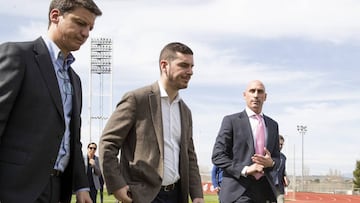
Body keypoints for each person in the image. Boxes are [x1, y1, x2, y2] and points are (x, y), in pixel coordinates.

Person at [0, 0, 102, 202]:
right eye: (80, 23)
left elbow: (72, 139)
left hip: (58, 189)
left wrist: (81, 186)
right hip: (14, 189)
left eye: (90, 28)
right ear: (55, 16)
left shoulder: (75, 80)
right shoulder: (18, 55)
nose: (86, 33)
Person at [99, 42, 204, 203]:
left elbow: (190, 156)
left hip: (176, 196)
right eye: (183, 65)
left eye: (191, 66)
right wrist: (116, 185)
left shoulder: (185, 111)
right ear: (164, 65)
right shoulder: (137, 99)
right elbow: (108, 143)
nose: (190, 72)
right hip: (142, 196)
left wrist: (197, 195)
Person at [212, 80, 280, 203]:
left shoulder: (273, 125)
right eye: (252, 91)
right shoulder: (231, 121)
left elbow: (277, 158)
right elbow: (218, 156)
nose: (256, 95)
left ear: (265, 97)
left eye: (260, 92)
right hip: (237, 191)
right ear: (244, 95)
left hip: (264, 192)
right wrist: (245, 169)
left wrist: (271, 163)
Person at [271, 135, 290, 203]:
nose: (280, 146)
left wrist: (285, 178)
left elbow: (283, 171)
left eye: (281, 144)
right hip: (269, 186)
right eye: (278, 144)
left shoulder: (283, 157)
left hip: (279, 187)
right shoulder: (268, 155)